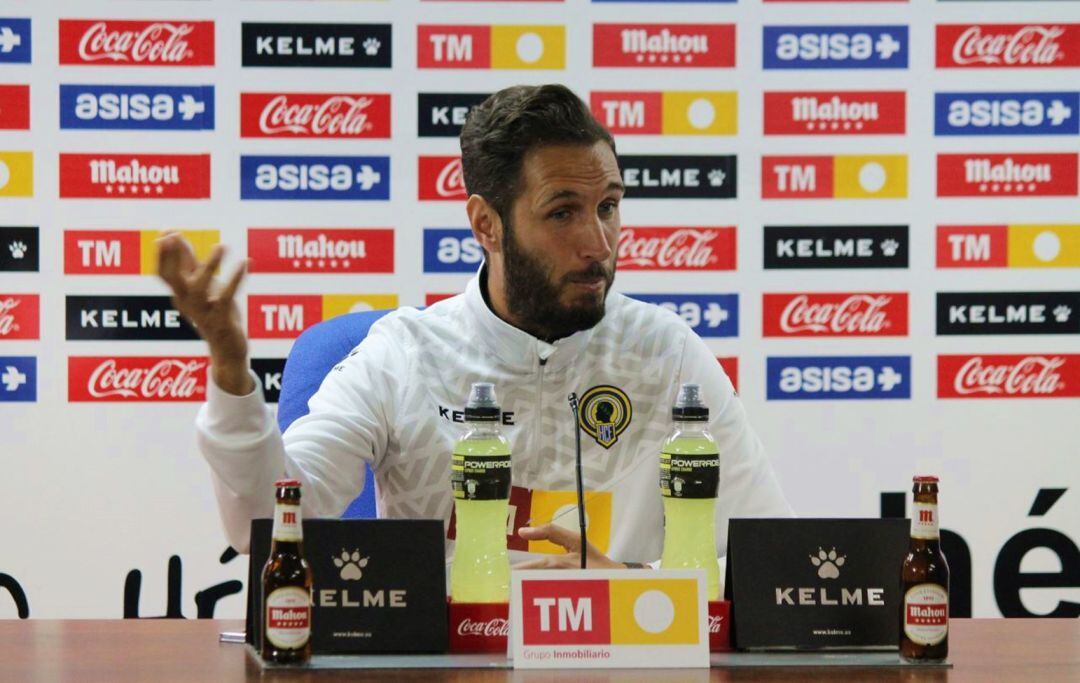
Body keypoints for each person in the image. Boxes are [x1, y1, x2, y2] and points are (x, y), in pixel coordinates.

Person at [158, 84, 792, 570]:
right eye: (562, 213)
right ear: (487, 225)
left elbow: (763, 558)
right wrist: (232, 374)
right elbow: (262, 524)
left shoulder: (668, 353)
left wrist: (633, 585)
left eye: (608, 207)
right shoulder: (405, 356)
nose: (598, 243)